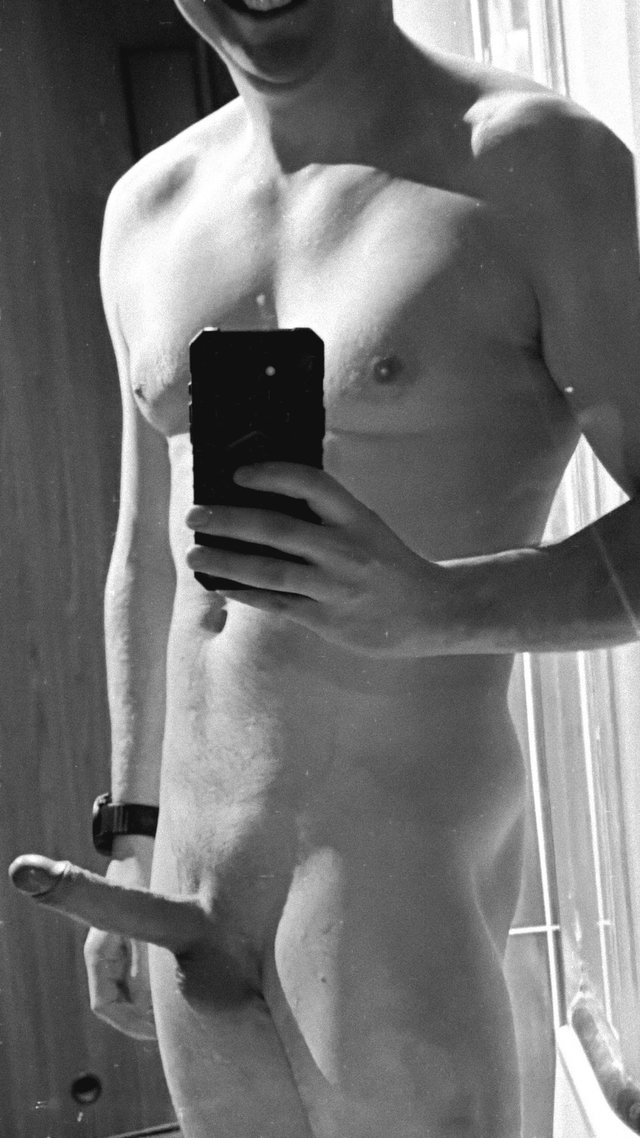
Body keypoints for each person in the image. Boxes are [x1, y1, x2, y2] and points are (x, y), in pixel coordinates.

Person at [9, 0, 640, 1135]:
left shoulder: (533, 164)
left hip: (391, 879)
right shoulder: (148, 206)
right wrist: (134, 842)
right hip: (190, 884)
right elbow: (146, 557)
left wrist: (440, 606)